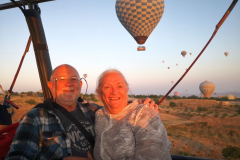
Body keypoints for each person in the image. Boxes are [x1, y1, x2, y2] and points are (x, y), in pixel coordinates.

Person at [5, 64, 158, 160]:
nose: (69, 84)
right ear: (51, 86)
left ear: (79, 84)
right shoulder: (35, 118)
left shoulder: (91, 110)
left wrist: (139, 104)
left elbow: (116, 109)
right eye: (62, 79)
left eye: (73, 79)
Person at [94, 69, 172, 160]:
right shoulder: (98, 115)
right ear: (99, 94)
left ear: (127, 90)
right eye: (107, 87)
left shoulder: (143, 113)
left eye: (119, 86)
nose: (114, 91)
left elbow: (153, 154)